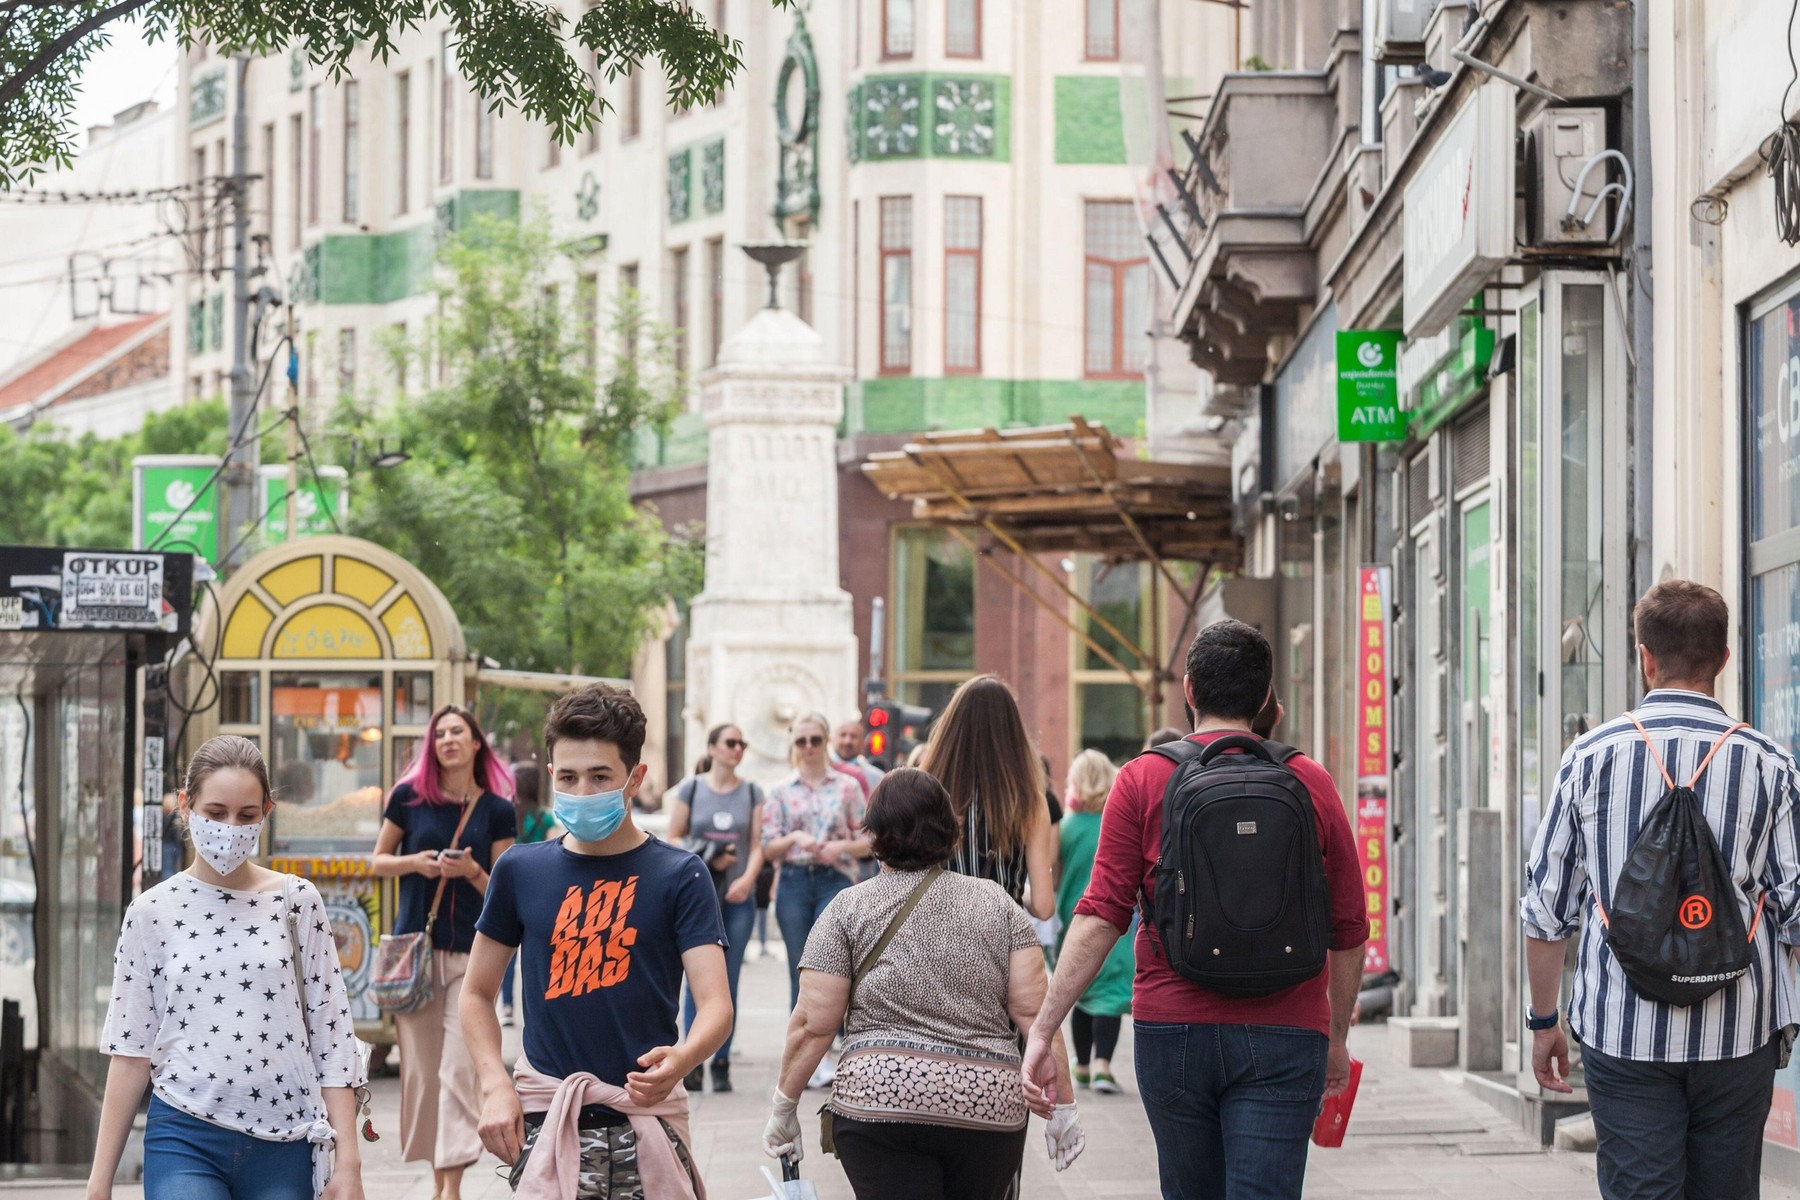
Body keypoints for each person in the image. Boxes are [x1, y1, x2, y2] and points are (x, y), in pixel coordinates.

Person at [1024, 620, 1368, 1199]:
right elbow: (1350, 925)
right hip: (1287, 1029)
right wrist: (1335, 1037)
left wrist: (1044, 1028)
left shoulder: (1143, 779)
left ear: (1188, 690)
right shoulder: (1309, 780)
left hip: (1172, 1026)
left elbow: (1102, 912)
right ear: (1264, 698)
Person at [1523, 580, 1800, 1198]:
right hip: (1740, 1032)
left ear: (1644, 657)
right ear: (1724, 660)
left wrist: (1544, 1022)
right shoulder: (1770, 765)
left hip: (1624, 1034)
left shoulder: (1589, 757)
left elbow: (1546, 913)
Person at [461, 683, 731, 1198]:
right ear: (550, 776)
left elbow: (716, 1004)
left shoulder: (681, 875)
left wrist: (685, 1057)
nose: (582, 791)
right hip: (546, 1119)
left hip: (647, 1120)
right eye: (568, 776)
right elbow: (475, 994)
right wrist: (494, 1084)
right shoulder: (520, 869)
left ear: (636, 778)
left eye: (600, 776)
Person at [762, 769, 1084, 1198]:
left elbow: (812, 1024)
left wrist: (785, 1105)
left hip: (880, 1102)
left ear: (874, 836)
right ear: (950, 835)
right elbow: (1035, 1016)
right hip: (986, 1109)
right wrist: (1063, 1103)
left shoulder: (846, 909)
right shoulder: (998, 904)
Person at [88, 735, 366, 1200]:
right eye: (215, 813)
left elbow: (332, 1037)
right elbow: (131, 1050)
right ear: (186, 805)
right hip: (184, 1135)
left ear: (267, 813)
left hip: (287, 1141)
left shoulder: (297, 902)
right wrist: (100, 1183)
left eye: (246, 815)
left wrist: (350, 1164)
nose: (230, 828)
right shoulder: (151, 912)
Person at [370, 704, 516, 1200]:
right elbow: (378, 861)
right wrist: (420, 863)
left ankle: (450, 1188)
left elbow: (504, 885)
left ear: (477, 744)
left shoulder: (497, 808)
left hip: (472, 954)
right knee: (423, 1072)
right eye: (440, 734)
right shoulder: (408, 798)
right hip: (417, 952)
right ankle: (438, 1183)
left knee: (460, 1068)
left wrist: (471, 872)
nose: (448, 740)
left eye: (458, 732)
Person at [763, 712, 870, 1090]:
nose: (808, 748)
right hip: (793, 880)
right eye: (801, 741)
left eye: (815, 740)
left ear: (826, 742)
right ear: (793, 745)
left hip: (834, 881)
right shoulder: (779, 790)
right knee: (801, 968)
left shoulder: (847, 787)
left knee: (833, 968)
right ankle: (807, 1057)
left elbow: (870, 839)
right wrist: (794, 838)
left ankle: (836, 1049)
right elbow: (768, 846)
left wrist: (842, 845)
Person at [668, 722, 765, 1094]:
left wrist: (747, 879)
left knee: (730, 979)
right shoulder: (691, 789)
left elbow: (757, 844)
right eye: (730, 742)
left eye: (742, 743)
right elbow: (673, 837)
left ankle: (721, 1061)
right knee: (695, 980)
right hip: (697, 896)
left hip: (737, 898)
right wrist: (709, 857)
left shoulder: (752, 791)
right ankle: (692, 1060)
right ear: (712, 748)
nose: (737, 749)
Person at [917, 675, 1056, 919]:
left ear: (951, 730)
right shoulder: (1029, 802)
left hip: (936, 934)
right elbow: (1044, 908)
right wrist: (1010, 890)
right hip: (1000, 942)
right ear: (1013, 734)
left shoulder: (925, 794)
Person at [1058, 749, 1134, 1095]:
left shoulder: (1067, 827)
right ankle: (1104, 1065)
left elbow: (1055, 877)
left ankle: (1083, 1066)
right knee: (1111, 993)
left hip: (1073, 920)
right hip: (1113, 919)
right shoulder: (1115, 824)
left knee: (1082, 990)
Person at [500, 763, 554, 1026]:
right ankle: (541, 1005)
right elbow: (557, 847)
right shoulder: (544, 818)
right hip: (540, 888)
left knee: (506, 952)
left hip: (512, 888)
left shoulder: (508, 816)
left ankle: (507, 1006)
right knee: (538, 952)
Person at [831, 719, 885, 793]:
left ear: (863, 743)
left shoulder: (876, 778)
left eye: (853, 736)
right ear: (832, 739)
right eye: (843, 735)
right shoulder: (818, 771)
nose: (847, 741)